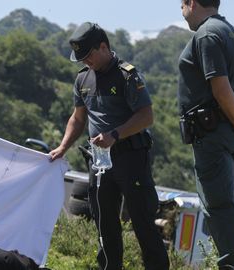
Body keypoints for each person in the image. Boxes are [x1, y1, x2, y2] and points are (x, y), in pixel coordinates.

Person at [50, 22, 169, 270]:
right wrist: (62, 147)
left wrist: (115, 134)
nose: (85, 62)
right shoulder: (82, 79)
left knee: (142, 222)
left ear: (103, 47)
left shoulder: (127, 75)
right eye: (81, 58)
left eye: (89, 56)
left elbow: (146, 116)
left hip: (131, 157)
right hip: (100, 161)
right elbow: (77, 118)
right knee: (105, 224)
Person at [177, 0, 234, 269]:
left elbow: (221, 87)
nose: (181, 10)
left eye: (182, 4)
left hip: (213, 136)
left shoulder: (207, 34)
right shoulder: (231, 33)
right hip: (230, 136)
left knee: (221, 208)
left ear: (192, 3)